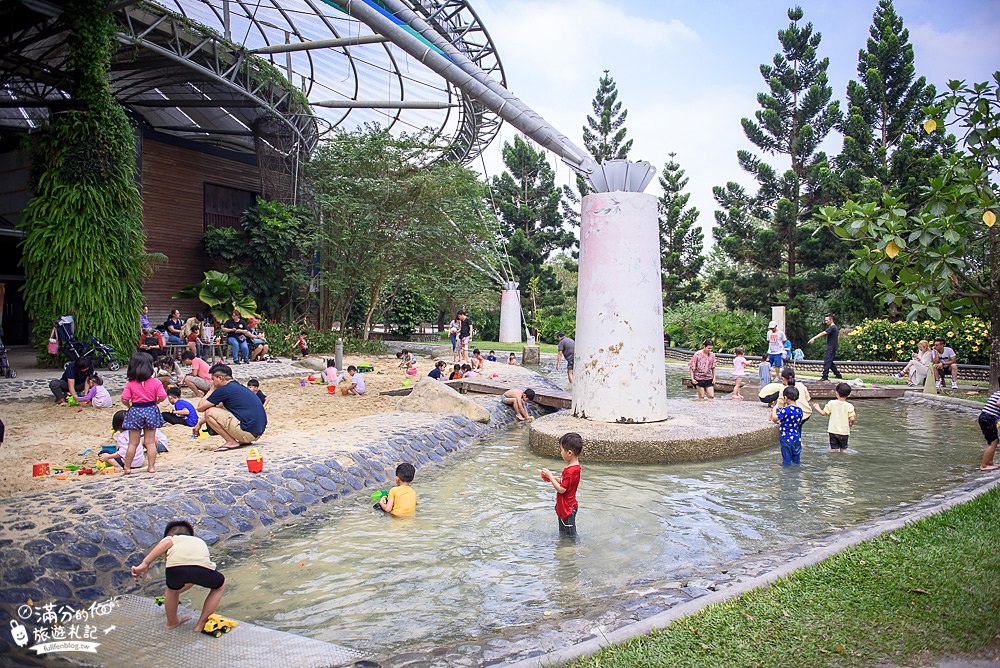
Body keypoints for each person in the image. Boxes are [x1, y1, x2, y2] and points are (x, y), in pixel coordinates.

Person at [131, 520, 226, 634]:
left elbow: (166, 544)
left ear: (169, 534)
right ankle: (200, 625)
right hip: (201, 569)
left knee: (172, 590)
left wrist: (145, 563)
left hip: (175, 570)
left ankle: (172, 622)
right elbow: (199, 565)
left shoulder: (171, 539)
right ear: (191, 534)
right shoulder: (198, 541)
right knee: (219, 586)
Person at [196, 364, 267, 451]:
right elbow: (221, 410)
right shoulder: (237, 386)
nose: (212, 382)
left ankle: (231, 442)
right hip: (257, 432)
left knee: (209, 412)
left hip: (248, 432)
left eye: (213, 379)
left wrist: (212, 389)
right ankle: (242, 440)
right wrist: (200, 423)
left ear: (220, 378)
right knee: (216, 409)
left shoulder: (224, 390)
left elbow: (200, 408)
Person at [121, 352, 167, 474]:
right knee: (150, 441)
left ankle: (127, 467)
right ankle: (151, 467)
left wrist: (129, 406)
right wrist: (155, 402)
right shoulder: (156, 382)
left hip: (135, 410)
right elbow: (162, 396)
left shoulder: (130, 384)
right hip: (151, 409)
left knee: (133, 442)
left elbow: (124, 399)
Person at [540, 432, 582, 537]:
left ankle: (573, 549)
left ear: (569, 453)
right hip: (566, 506)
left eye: (561, 450)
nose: (560, 452)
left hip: (567, 508)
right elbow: (566, 483)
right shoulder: (575, 468)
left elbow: (562, 489)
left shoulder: (570, 471)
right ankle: (564, 547)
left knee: (571, 535)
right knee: (564, 533)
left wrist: (550, 476)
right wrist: (553, 478)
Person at [813, 382, 857, 452]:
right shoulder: (849, 406)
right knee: (844, 449)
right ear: (849, 394)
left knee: (834, 449)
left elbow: (823, 413)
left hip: (833, 431)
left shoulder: (831, 403)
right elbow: (852, 418)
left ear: (836, 393)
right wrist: (850, 424)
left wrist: (817, 407)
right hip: (844, 432)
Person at [771, 386, 804, 466]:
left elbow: (774, 418)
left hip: (786, 439)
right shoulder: (800, 410)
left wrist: (774, 409)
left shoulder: (785, 410)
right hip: (796, 439)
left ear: (785, 397)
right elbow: (795, 423)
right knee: (796, 460)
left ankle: (786, 476)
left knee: (787, 461)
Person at [807, 314, 843, 382]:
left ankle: (825, 376)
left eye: (827, 320)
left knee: (827, 361)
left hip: (831, 347)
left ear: (831, 320)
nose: (826, 322)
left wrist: (813, 338)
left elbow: (823, 333)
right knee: (830, 362)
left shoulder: (832, 328)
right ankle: (838, 374)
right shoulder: (834, 328)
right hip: (832, 347)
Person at [976, 379, 1000, 471]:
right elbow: (998, 403)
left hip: (985, 417)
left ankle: (990, 462)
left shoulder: (997, 393)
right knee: (993, 442)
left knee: (994, 440)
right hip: (988, 418)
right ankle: (984, 465)